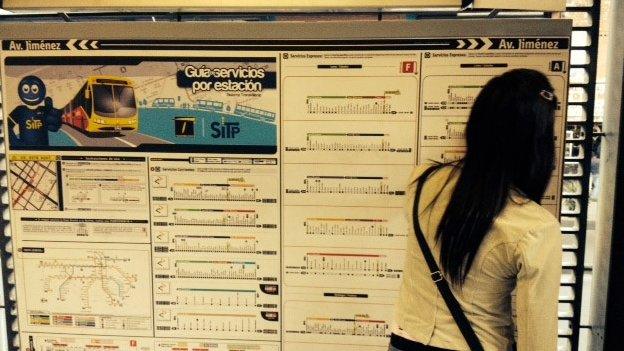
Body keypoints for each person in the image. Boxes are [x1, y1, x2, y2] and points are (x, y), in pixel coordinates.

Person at [391, 69, 562, 351]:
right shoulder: (535, 227)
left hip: (404, 342)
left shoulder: (422, 182)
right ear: (538, 143)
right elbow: (537, 339)